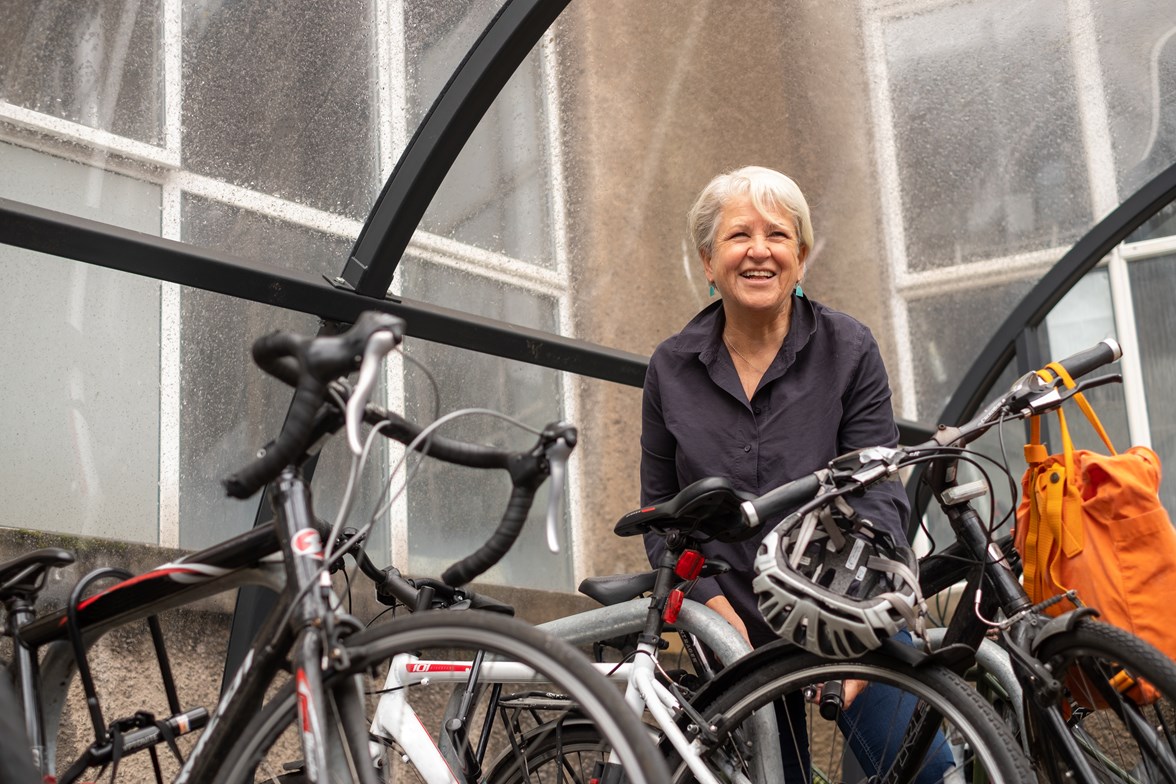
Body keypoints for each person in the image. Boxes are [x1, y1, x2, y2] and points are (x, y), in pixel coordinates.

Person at [640, 165, 949, 780]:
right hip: (730, 619)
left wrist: (855, 618)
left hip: (840, 594)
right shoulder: (669, 369)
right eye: (738, 236)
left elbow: (880, 493)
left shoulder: (850, 349)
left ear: (801, 258)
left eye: (778, 235)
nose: (759, 251)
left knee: (922, 769)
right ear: (708, 261)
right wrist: (707, 609)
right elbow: (657, 515)